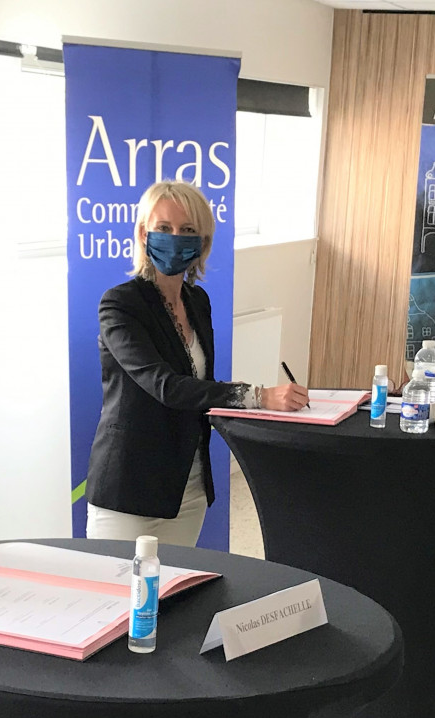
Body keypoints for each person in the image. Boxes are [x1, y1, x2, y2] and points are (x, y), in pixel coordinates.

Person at [84, 180, 308, 546]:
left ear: (202, 242)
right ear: (143, 234)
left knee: (176, 597)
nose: (176, 238)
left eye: (188, 230)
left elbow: (201, 384)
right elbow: (166, 386)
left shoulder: (197, 301)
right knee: (119, 601)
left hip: (187, 490)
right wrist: (258, 396)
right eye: (164, 228)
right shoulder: (120, 305)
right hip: (128, 490)